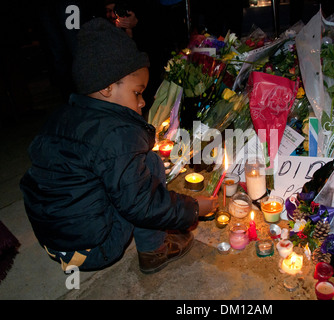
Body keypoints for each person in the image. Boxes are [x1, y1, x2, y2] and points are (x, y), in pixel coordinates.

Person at [20, 18, 218, 274]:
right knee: (149, 164)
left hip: (55, 244)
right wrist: (192, 208)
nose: (143, 102)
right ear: (107, 88)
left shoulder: (63, 116)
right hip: (93, 249)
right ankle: (154, 250)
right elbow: (141, 203)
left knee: (118, 176)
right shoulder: (117, 134)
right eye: (137, 92)